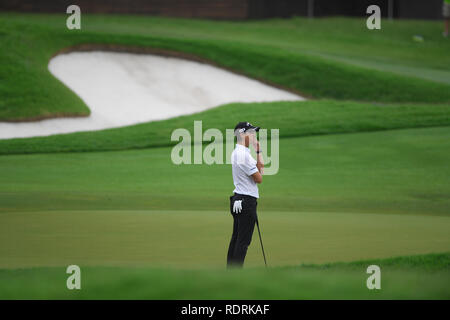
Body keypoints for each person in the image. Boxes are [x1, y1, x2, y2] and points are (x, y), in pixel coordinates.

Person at [227, 122, 264, 268]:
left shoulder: (238, 153)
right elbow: (259, 178)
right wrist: (258, 153)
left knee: (236, 239)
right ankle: (235, 276)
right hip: (247, 201)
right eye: (251, 133)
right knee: (243, 242)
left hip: (237, 199)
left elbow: (259, 170)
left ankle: (229, 273)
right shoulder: (244, 155)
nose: (254, 136)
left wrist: (258, 151)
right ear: (242, 135)